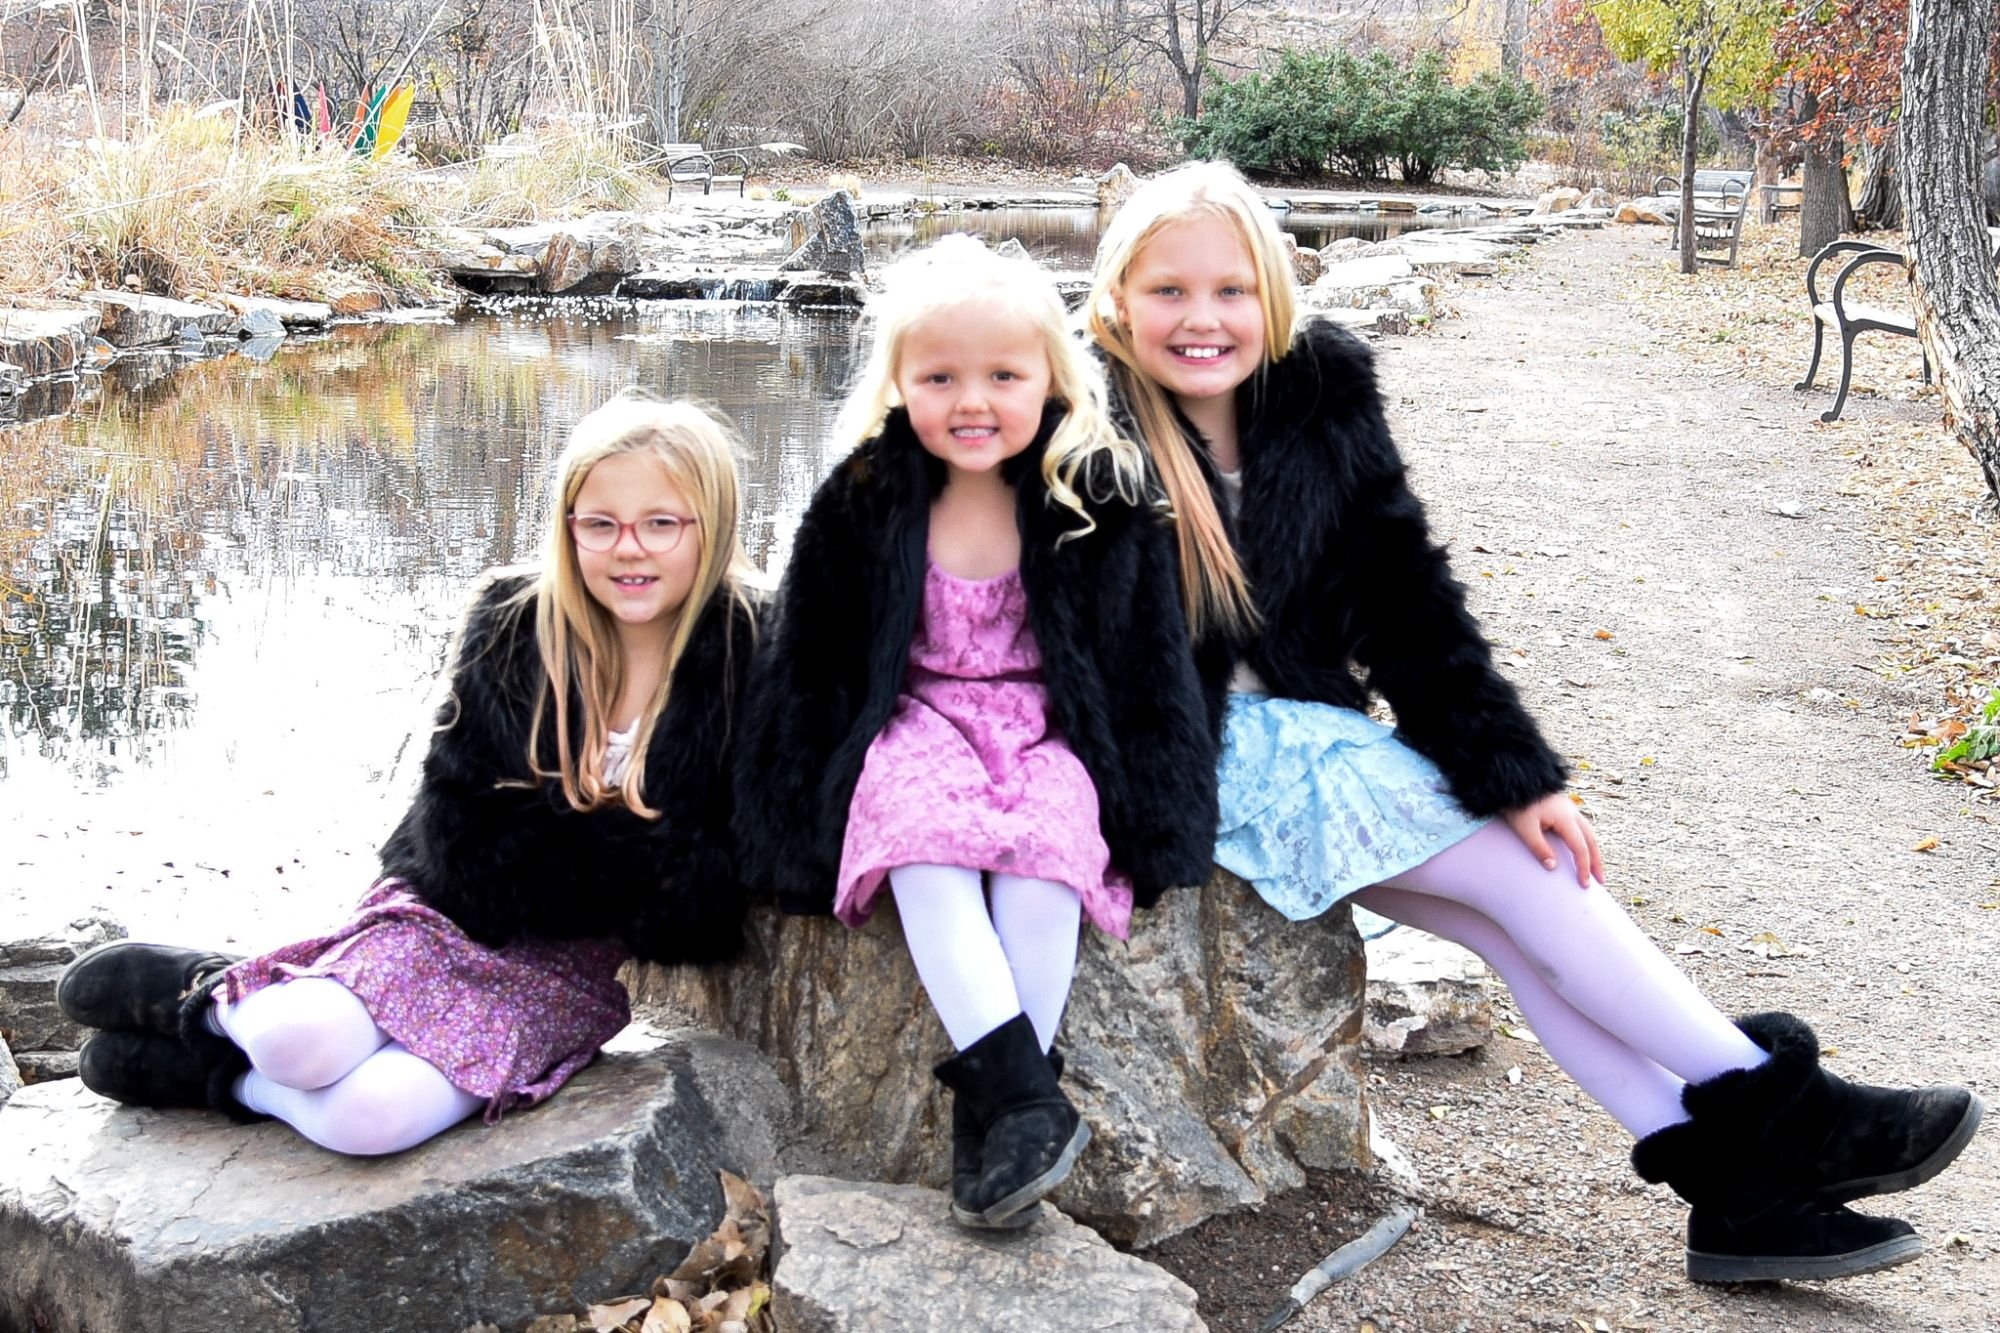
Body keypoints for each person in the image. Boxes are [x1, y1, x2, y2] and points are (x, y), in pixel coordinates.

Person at [1085, 161, 1982, 1284]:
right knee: (1533, 888)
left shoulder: (1317, 393)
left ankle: (1741, 1194)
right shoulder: (1078, 423)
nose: (1202, 318)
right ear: (1116, 297)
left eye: (1231, 290)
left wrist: (1512, 771)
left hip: (1305, 751)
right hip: (1181, 761)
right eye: (1168, 291)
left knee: (1518, 923)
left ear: (1274, 290)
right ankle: (1789, 1112)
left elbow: (1405, 597)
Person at [57, 391, 757, 1156]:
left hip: (560, 971)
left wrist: (565, 846)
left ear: (711, 524)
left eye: (661, 524)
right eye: (600, 524)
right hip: (444, 913)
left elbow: (705, 892)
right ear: (567, 528)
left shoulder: (751, 654)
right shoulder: (516, 624)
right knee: (299, 1042)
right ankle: (216, 995)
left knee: (372, 1119)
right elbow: (463, 839)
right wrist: (633, 854)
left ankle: (219, 1075)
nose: (629, 548)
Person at [734, 236, 1215, 1230]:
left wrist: (1163, 815)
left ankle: (1002, 1117)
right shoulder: (864, 497)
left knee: (1047, 860)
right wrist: (784, 818)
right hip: (919, 721)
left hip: (1048, 727)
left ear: (1051, 378)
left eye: (1003, 376)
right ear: (897, 382)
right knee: (922, 844)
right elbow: (808, 660)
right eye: (940, 377)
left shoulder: (1096, 496)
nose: (972, 401)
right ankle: (1028, 1102)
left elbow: (1150, 666)